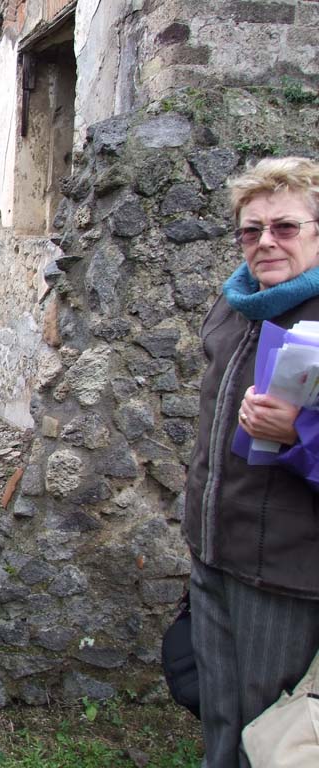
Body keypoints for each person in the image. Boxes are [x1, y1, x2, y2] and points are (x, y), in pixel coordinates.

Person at [183, 156, 319, 767]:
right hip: (214, 550)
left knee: (269, 731)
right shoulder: (237, 305)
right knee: (219, 713)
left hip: (287, 572)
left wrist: (301, 433)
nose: (265, 241)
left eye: (286, 227)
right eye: (251, 229)